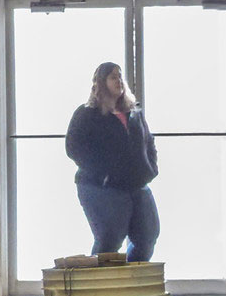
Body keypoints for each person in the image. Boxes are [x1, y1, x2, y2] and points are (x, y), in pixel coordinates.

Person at [65, 62, 160, 261]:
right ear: (101, 82)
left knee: (147, 236)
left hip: (137, 184)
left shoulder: (134, 113)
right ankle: (98, 287)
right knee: (110, 239)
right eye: (112, 77)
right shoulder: (87, 113)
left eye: (119, 76)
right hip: (101, 187)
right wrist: (104, 173)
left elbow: (148, 141)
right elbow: (74, 148)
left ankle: (130, 284)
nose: (118, 81)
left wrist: (150, 168)